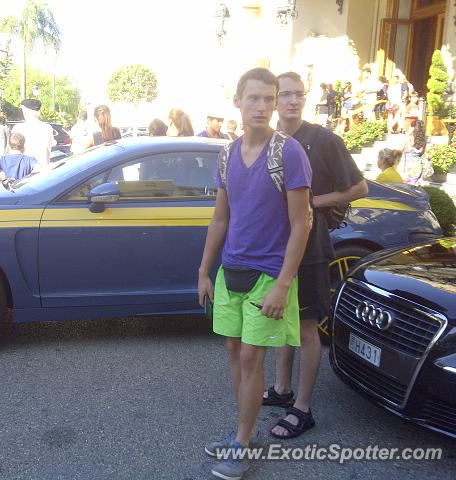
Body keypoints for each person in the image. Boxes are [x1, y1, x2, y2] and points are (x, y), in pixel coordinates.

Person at [198, 68, 313, 479]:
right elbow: (220, 219)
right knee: (234, 353)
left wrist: (284, 284)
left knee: (250, 357)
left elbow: (303, 223)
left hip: (269, 275)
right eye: (255, 99)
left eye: (270, 98)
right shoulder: (228, 153)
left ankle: (243, 443)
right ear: (238, 102)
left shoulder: (289, 152)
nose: (263, 106)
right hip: (232, 271)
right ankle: (242, 430)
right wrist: (204, 271)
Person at [264, 71, 368, 440]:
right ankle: (281, 389)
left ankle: (303, 409)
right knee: (281, 322)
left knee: (307, 327)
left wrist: (315, 202)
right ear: (274, 100)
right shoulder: (271, 140)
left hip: (310, 248)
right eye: (286, 95)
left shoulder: (323, 140)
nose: (293, 101)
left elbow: (359, 187)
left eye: (299, 95)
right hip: (276, 248)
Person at [12, 98, 54, 170]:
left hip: (23, 170)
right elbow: (49, 148)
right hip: (43, 170)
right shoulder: (47, 128)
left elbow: (12, 151)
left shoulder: (18, 128)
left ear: (25, 111)